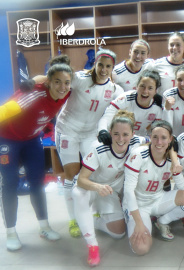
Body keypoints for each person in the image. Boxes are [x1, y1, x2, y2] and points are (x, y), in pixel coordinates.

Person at [0, 61, 73, 251]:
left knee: (37, 182)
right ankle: (11, 232)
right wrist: (35, 81)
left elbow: (87, 77)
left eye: (66, 83)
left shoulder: (67, 91)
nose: (62, 87)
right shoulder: (34, 95)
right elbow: (5, 111)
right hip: (7, 140)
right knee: (9, 183)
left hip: (32, 139)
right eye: (57, 82)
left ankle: (44, 227)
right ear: (49, 82)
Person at [54, 49, 124, 238]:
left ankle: (93, 210)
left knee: (93, 173)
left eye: (108, 66)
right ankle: (73, 219)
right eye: (100, 64)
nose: (103, 69)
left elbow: (119, 110)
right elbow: (57, 82)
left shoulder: (116, 90)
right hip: (67, 130)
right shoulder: (80, 78)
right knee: (71, 174)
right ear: (95, 63)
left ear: (112, 68)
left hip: (90, 134)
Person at [123, 120, 184, 255]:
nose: (159, 142)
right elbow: (128, 192)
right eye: (155, 137)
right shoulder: (139, 155)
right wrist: (139, 223)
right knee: (141, 248)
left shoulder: (172, 160)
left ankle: (162, 221)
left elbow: (182, 185)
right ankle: (142, 221)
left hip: (158, 199)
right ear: (150, 137)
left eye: (163, 138)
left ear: (170, 139)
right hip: (138, 205)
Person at [72, 110, 146, 266]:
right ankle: (92, 245)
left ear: (133, 134)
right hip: (90, 187)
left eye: (125, 134)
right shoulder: (99, 148)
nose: (120, 139)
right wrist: (97, 186)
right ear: (110, 132)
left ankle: (93, 220)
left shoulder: (137, 142)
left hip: (109, 191)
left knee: (118, 232)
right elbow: (81, 180)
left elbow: (159, 141)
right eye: (116, 134)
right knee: (78, 194)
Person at [98, 70, 173, 138]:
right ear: (137, 86)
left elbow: (160, 132)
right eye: (142, 86)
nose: (145, 91)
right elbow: (108, 115)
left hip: (139, 143)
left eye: (150, 88)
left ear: (155, 91)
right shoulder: (125, 98)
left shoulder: (157, 108)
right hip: (119, 139)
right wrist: (102, 130)